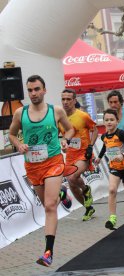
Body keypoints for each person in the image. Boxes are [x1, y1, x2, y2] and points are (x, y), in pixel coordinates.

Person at [8, 75, 75, 267]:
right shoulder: (20, 113)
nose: (33, 93)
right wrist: (19, 144)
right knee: (46, 200)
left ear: (44, 90)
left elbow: (70, 130)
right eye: (30, 90)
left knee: (49, 206)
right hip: (33, 165)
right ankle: (62, 192)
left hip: (53, 161)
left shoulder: (56, 111)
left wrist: (65, 140)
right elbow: (12, 134)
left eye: (37, 89)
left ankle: (48, 252)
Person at [60, 89, 98, 221]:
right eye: (63, 99)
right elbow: (64, 137)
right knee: (72, 186)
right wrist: (64, 146)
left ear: (74, 101)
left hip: (84, 153)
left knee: (72, 177)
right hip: (70, 155)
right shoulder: (60, 119)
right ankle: (88, 208)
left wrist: (91, 146)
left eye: (68, 99)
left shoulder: (82, 116)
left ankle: (86, 188)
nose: (65, 102)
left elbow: (95, 130)